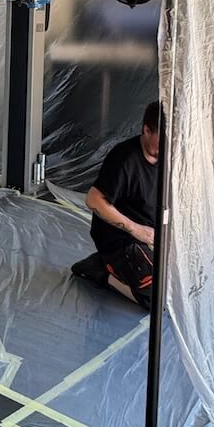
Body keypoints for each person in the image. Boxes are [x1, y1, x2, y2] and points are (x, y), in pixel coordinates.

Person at [71, 101, 160, 310]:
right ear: (146, 130)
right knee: (156, 299)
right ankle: (100, 270)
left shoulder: (170, 156)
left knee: (182, 287)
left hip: (151, 233)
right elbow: (93, 200)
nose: (169, 145)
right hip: (120, 238)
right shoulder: (124, 158)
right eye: (163, 138)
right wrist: (135, 229)